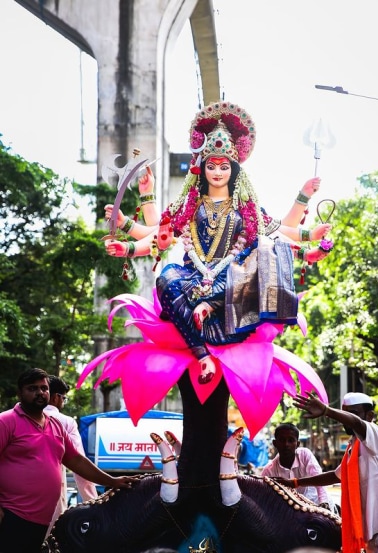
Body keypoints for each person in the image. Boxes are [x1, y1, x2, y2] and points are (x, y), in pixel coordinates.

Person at [103, 100, 333, 385]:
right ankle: (202, 354)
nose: (217, 172)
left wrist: (308, 219)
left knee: (262, 251)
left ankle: (211, 304)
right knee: (165, 280)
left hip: (231, 280)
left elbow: (280, 231)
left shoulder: (244, 208)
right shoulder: (190, 204)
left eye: (224, 166)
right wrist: (129, 236)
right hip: (192, 276)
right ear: (202, 168)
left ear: (233, 170)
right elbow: (157, 234)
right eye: (211, 165)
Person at [0, 368, 137, 553]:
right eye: (32, 388)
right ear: (20, 393)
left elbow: (76, 461)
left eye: (44, 388)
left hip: (43, 521)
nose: (40, 392)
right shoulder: (6, 422)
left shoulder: (55, 424)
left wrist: (112, 481)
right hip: (12, 517)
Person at [292, 391, 378, 553]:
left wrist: (327, 411)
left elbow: (356, 423)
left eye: (351, 413)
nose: (345, 419)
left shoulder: (375, 433)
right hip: (371, 533)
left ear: (369, 416)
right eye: (343, 412)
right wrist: (296, 483)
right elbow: (335, 475)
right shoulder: (352, 447)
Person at [44, 375, 98, 536]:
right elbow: (79, 464)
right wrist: (93, 503)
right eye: (64, 399)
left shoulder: (12, 419)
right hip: (52, 499)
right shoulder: (65, 422)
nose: (63, 403)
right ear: (55, 397)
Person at [261, 422, 330, 509]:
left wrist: (323, 502)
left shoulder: (305, 455)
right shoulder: (268, 470)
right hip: (288, 512)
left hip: (315, 504)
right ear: (275, 443)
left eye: (291, 440)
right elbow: (261, 494)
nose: (286, 444)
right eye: (282, 440)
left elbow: (319, 478)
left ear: (297, 444)